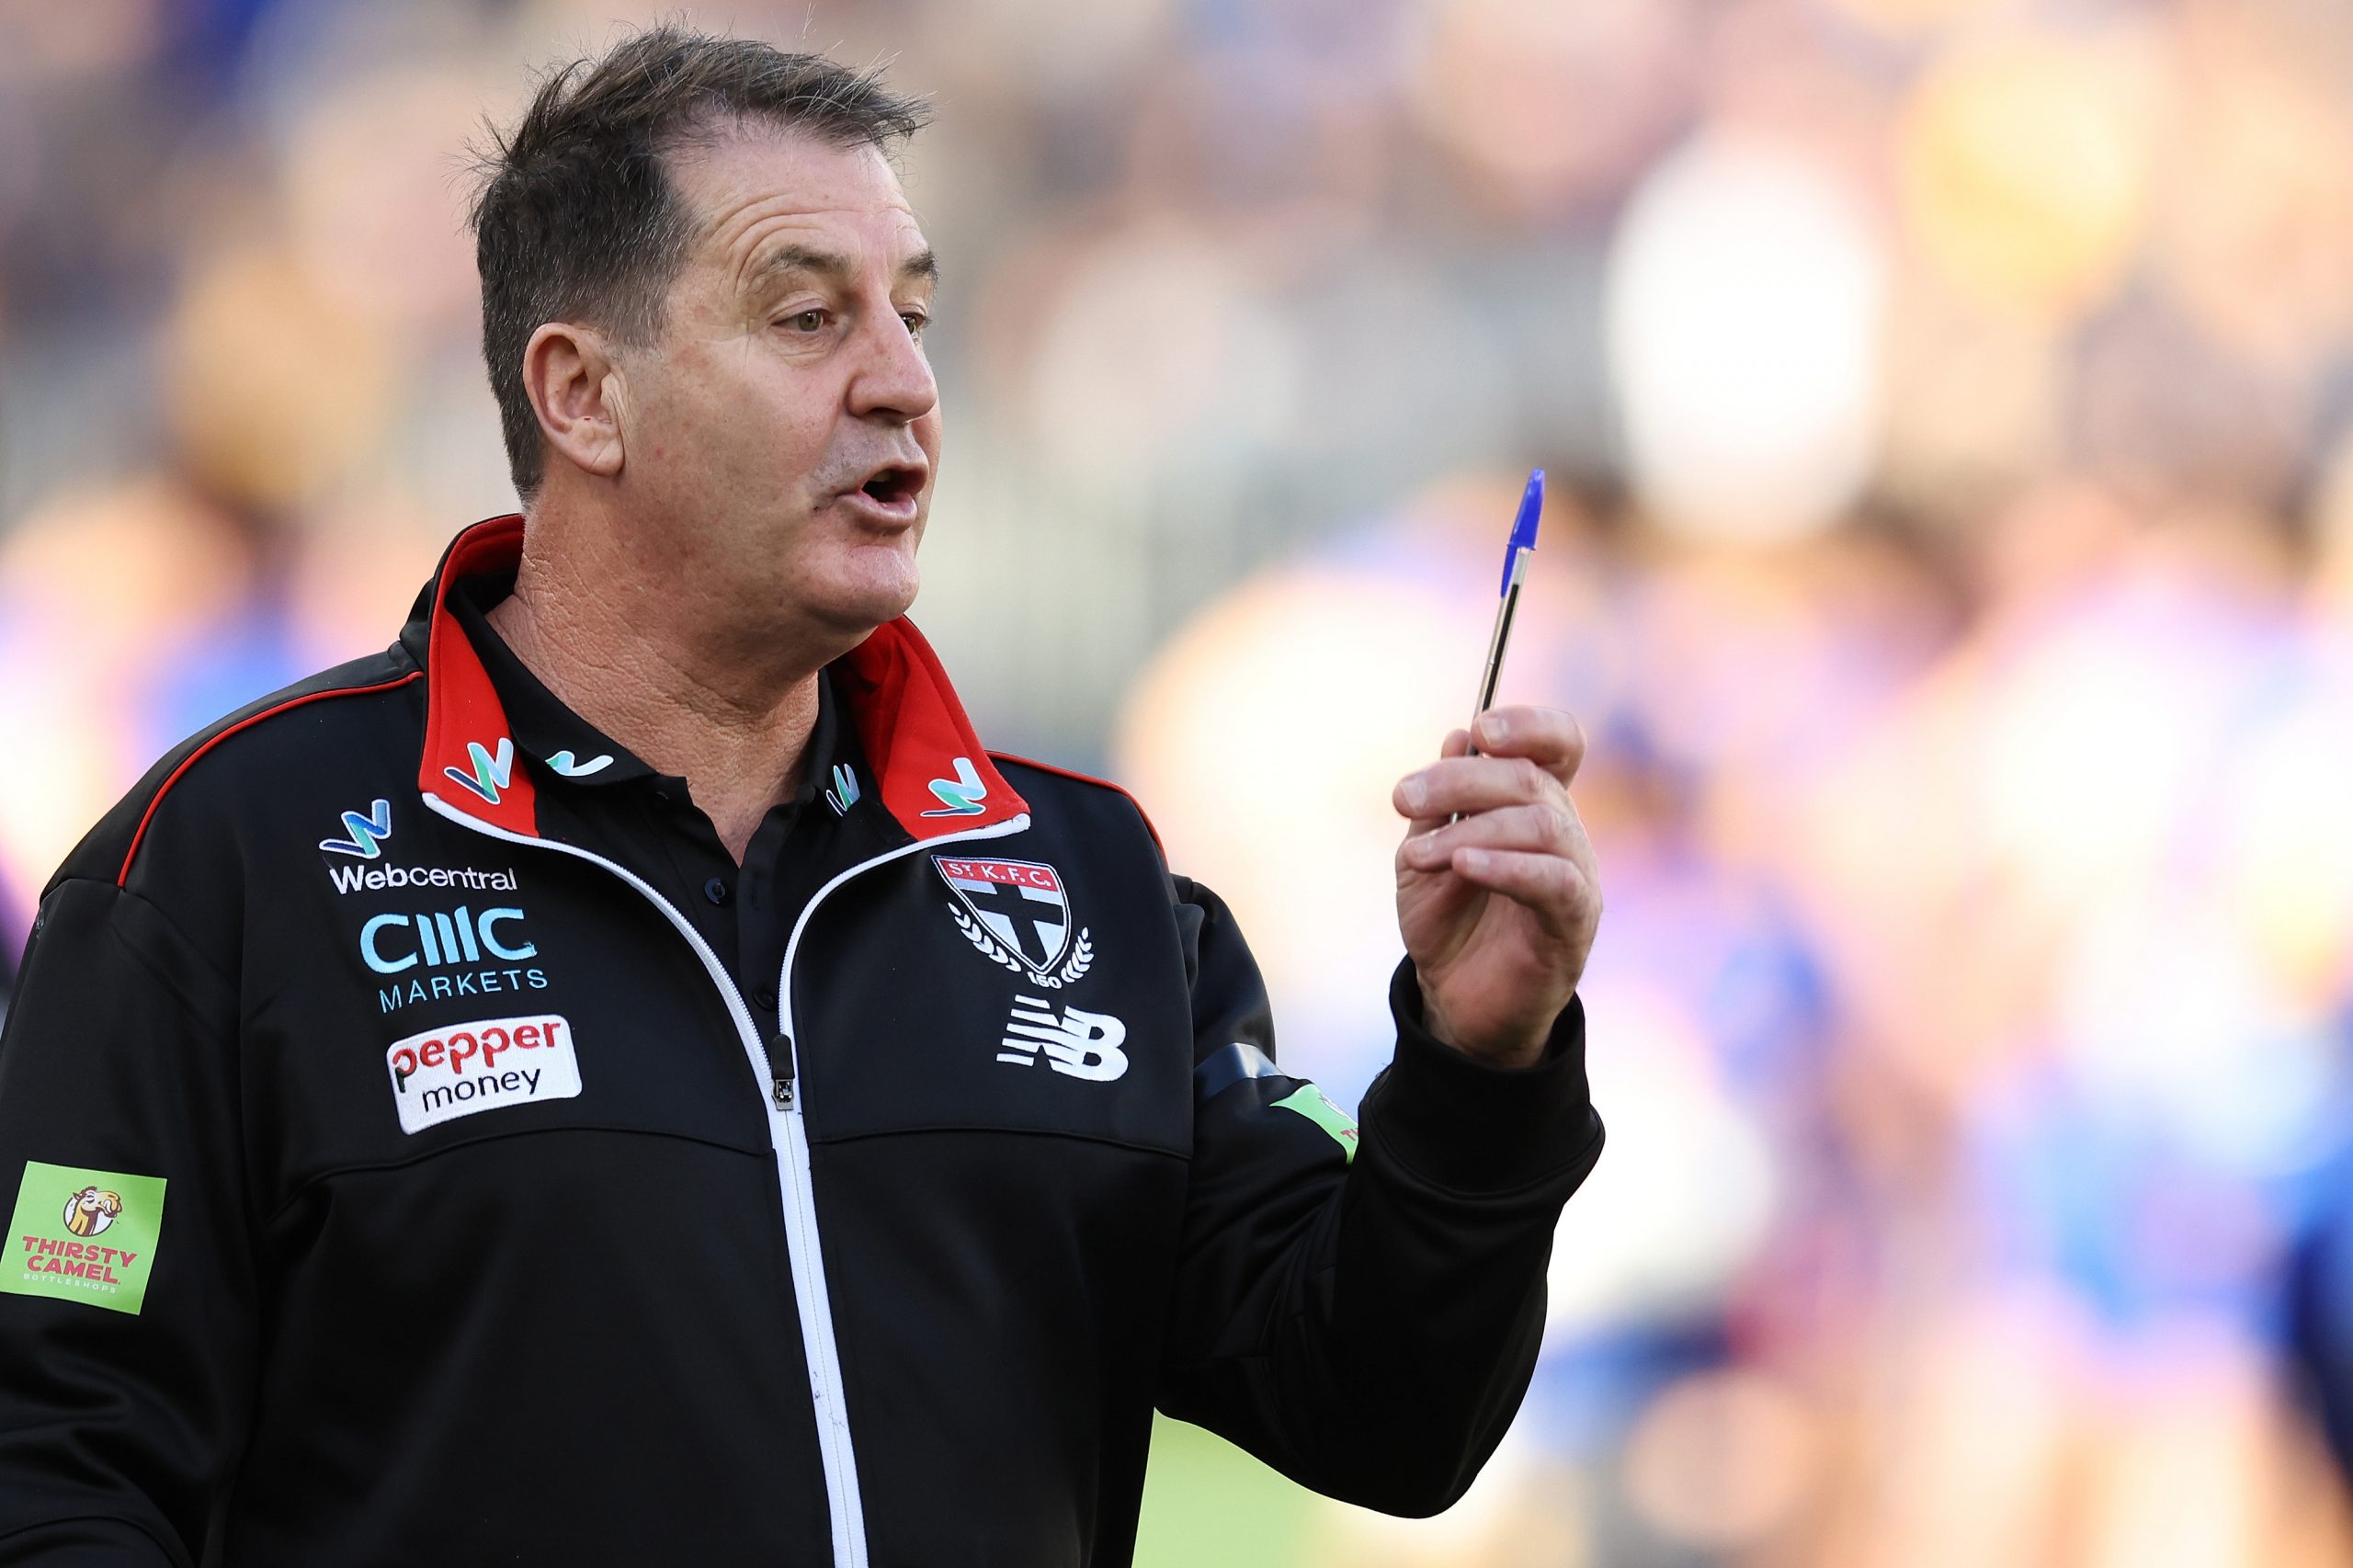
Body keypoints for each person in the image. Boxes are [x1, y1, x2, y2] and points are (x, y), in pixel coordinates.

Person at [0, 28, 1604, 1567]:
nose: (905, 382)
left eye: (913, 313)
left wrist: (1479, 1068)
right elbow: (54, 1463)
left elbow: (1386, 1414)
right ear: (581, 395)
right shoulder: (223, 863)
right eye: (804, 316)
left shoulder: (1091, 884)